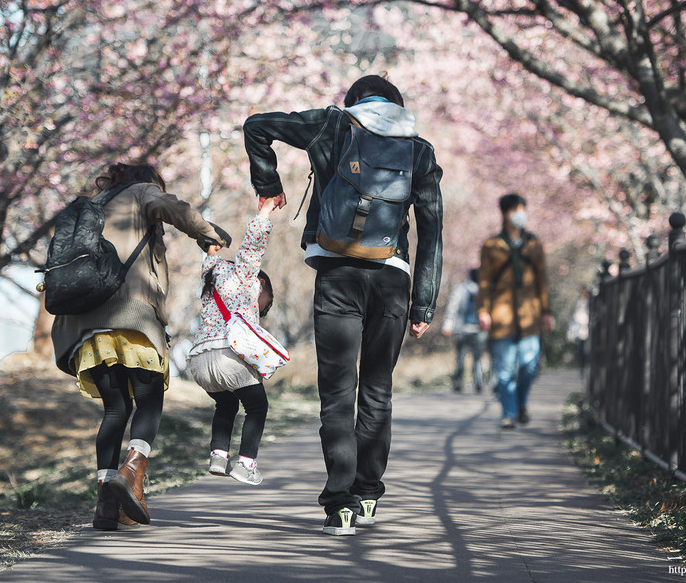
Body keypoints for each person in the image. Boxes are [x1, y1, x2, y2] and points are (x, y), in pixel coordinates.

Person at [243, 74, 443, 536]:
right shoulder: (420, 149)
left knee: (336, 392)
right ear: (397, 105)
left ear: (353, 101)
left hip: (336, 274)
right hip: (393, 279)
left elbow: (256, 124)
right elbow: (432, 229)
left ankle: (340, 503)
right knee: (377, 389)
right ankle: (369, 492)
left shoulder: (332, 124)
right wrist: (423, 305)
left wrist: (268, 184)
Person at [50, 163, 231, 531]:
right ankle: (132, 472)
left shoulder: (92, 206)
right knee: (149, 399)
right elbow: (176, 209)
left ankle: (105, 503)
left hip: (85, 324)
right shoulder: (142, 192)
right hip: (131, 314)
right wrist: (208, 233)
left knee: (115, 410)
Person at [186, 198, 278, 486]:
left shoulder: (211, 275)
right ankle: (246, 464)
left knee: (225, 404)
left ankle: (218, 456)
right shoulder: (246, 276)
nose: (263, 310)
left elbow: (211, 255)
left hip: (200, 362)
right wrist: (264, 211)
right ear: (261, 284)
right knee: (257, 407)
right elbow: (252, 245)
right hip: (228, 355)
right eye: (267, 304)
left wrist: (212, 246)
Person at [477, 193, 553, 430]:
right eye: (515, 209)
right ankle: (509, 413)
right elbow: (484, 281)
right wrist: (483, 310)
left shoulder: (534, 244)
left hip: (530, 313)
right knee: (504, 369)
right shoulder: (492, 245)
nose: (520, 214)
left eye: (522, 208)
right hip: (501, 315)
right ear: (505, 213)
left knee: (529, 366)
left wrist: (546, 311)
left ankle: (521, 404)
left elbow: (542, 279)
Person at [441, 268, 488, 393]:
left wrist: (448, 325)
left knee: (460, 358)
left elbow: (452, 307)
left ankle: (458, 384)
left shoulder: (460, 288)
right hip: (478, 330)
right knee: (478, 358)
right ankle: (478, 383)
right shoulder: (483, 290)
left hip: (461, 329)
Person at [567, 288, 590, 373]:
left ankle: (585, 366)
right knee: (581, 349)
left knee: (586, 349)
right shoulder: (578, 302)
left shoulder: (590, 302)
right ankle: (582, 366)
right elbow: (574, 315)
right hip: (579, 329)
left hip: (587, 328)